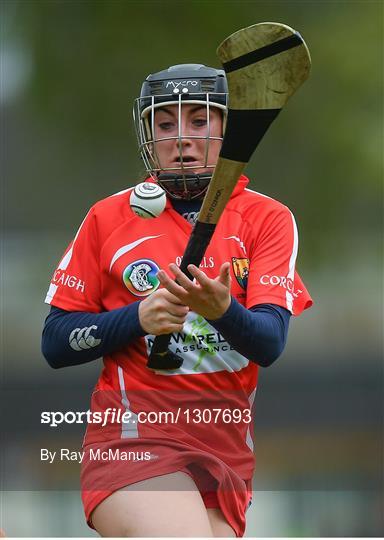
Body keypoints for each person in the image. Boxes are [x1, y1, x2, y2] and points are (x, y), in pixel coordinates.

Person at [42, 63, 313, 537]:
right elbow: (57, 343)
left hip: (224, 449)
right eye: (165, 123)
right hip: (133, 439)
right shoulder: (108, 219)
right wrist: (138, 317)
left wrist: (221, 310)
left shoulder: (267, 220)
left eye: (198, 120)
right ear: (148, 133)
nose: (181, 137)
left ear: (228, 130)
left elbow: (269, 344)